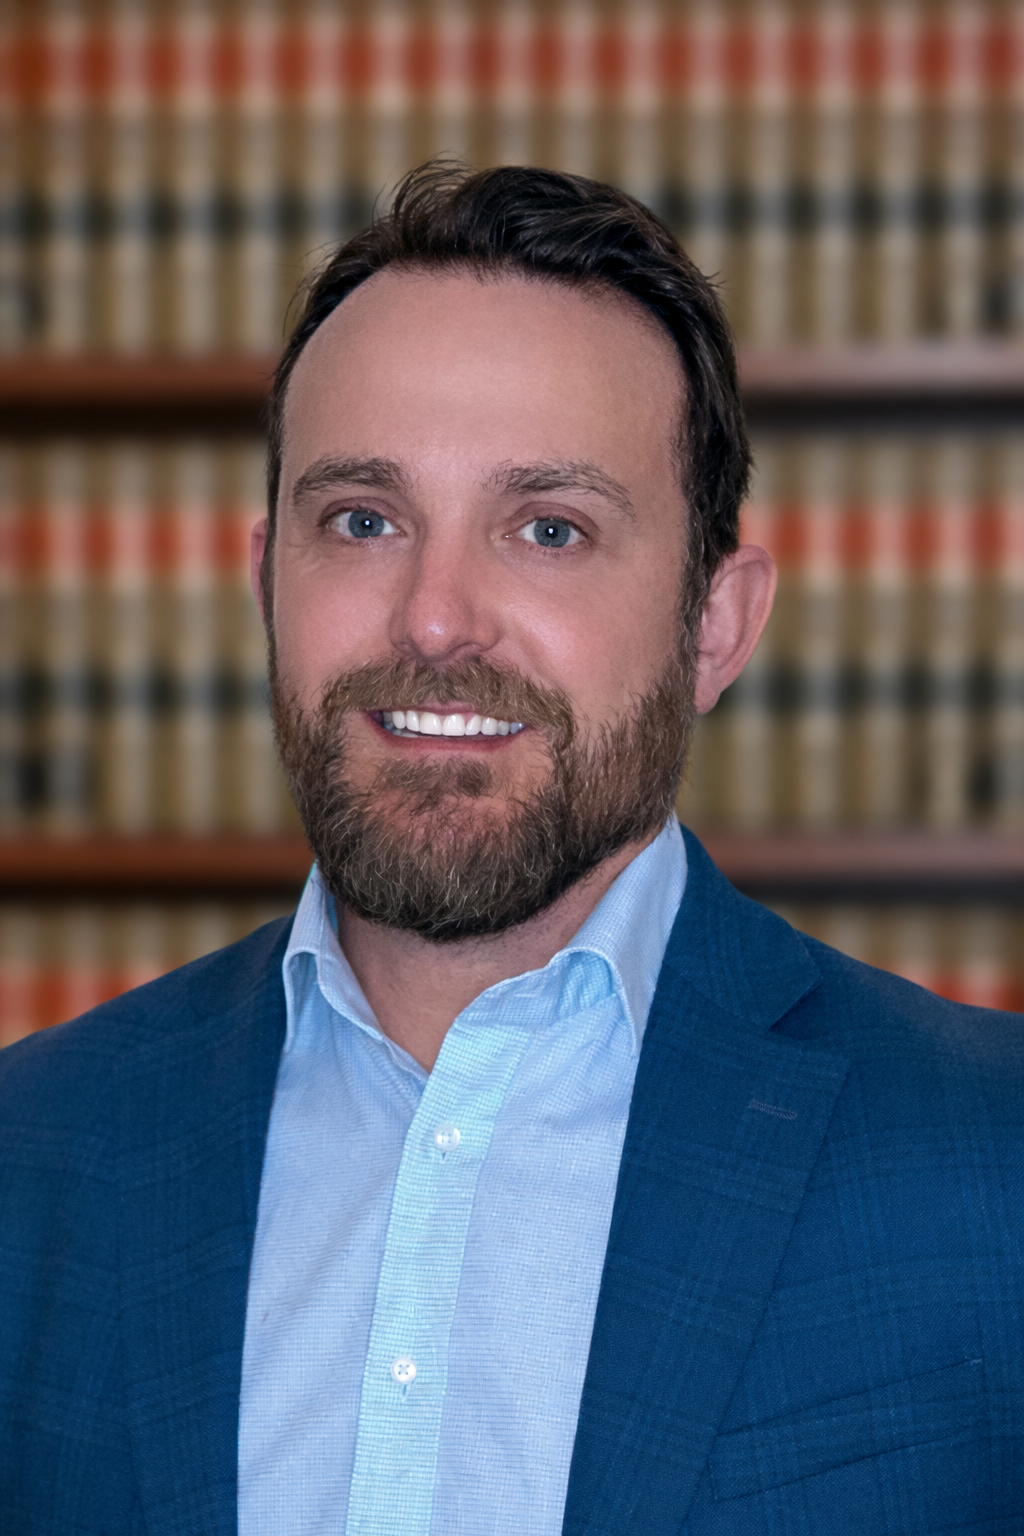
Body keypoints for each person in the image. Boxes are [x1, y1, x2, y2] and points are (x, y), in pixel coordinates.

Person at [2, 162, 1021, 1536]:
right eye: (363, 521)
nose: (434, 618)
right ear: (264, 582)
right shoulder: (33, 1156)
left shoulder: (992, 1159)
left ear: (715, 626)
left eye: (550, 529)